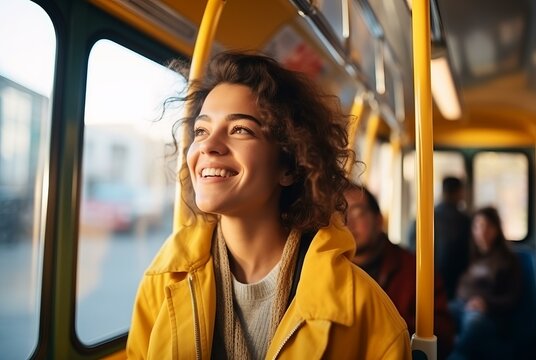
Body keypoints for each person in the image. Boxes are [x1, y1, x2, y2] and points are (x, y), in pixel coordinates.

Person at [126, 52, 411, 359]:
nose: (208, 145)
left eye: (240, 130)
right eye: (201, 131)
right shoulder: (164, 281)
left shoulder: (363, 311)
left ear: (288, 166)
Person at [344, 183, 455, 359]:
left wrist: (387, 328)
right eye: (339, 215)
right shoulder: (328, 273)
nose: (347, 223)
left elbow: (443, 336)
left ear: (378, 220)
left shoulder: (415, 270)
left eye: (358, 213)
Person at [448, 206, 522, 360]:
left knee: (474, 323)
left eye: (487, 226)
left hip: (487, 314)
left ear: (496, 229)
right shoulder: (473, 256)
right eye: (477, 226)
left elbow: (512, 297)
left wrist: (485, 303)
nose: (482, 231)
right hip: (461, 305)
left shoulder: (506, 259)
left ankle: (458, 354)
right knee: (436, 313)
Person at [408, 176, 471, 300]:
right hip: (456, 283)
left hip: (426, 279)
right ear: (459, 192)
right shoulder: (464, 221)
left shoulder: (424, 216)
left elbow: (411, 245)